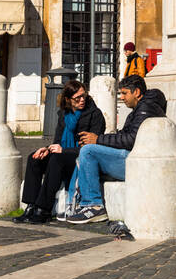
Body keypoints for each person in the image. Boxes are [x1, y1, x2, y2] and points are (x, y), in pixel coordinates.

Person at [63, 75, 166, 225]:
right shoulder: (140, 108)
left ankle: (93, 205)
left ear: (136, 92)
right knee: (88, 151)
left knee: (88, 151)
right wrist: (102, 142)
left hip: (138, 163)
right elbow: (125, 136)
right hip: (136, 158)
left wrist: (98, 139)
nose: (122, 97)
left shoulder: (145, 108)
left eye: (124, 93)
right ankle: (75, 203)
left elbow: (131, 140)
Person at [15, 80, 105, 224]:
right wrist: (46, 149)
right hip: (64, 153)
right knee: (34, 158)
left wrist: (64, 150)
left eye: (84, 96)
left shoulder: (95, 114)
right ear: (68, 100)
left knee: (57, 159)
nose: (82, 100)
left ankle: (43, 209)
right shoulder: (64, 114)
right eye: (77, 98)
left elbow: (92, 147)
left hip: (81, 157)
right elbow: (57, 141)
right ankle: (30, 206)